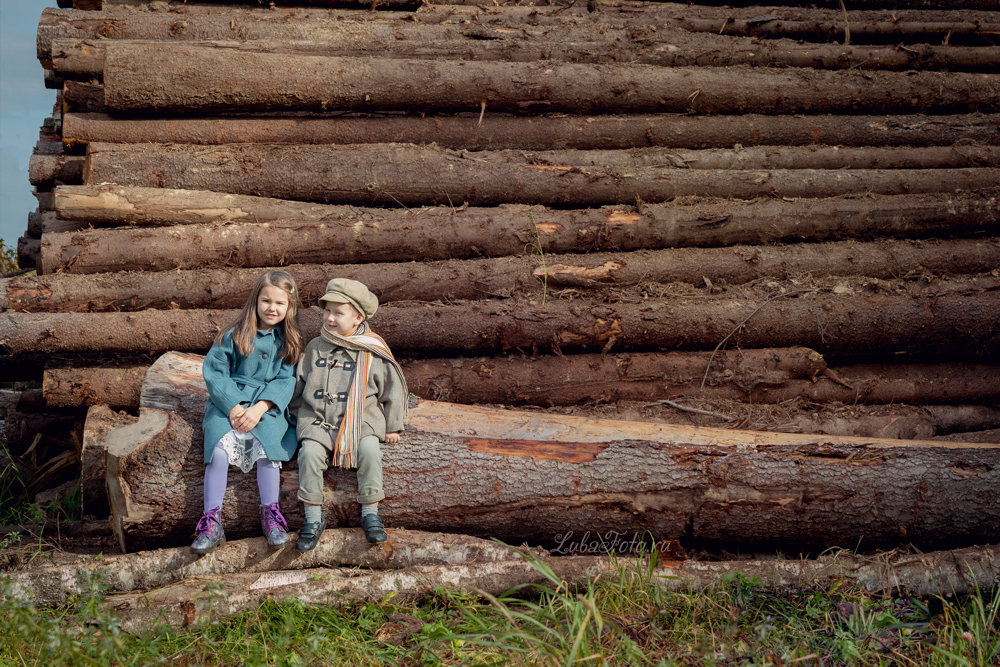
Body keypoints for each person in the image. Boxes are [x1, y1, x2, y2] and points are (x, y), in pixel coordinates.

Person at [191, 270, 304, 554]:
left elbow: (286, 380)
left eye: (280, 303)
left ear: (289, 307)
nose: (272, 308)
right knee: (217, 449)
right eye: (266, 301)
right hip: (229, 403)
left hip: (267, 406)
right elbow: (215, 373)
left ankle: (271, 515)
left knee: (268, 450)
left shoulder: (288, 342)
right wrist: (233, 405)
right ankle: (211, 520)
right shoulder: (235, 334)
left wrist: (261, 407)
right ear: (255, 301)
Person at [292, 278, 407, 550]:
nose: (330, 318)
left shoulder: (371, 350)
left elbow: (392, 389)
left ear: (357, 318)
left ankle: (370, 514)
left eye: (338, 312)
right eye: (327, 311)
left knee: (369, 451)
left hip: (361, 422)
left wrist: (392, 426)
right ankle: (312, 518)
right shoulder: (315, 347)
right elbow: (299, 384)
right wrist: (297, 418)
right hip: (319, 421)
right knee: (308, 453)